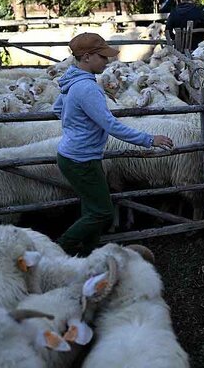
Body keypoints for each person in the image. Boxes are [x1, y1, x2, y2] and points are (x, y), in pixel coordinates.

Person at [52, 32, 175, 256]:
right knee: (103, 213)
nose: (107, 61)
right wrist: (149, 139)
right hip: (82, 159)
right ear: (87, 57)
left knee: (91, 208)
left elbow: (57, 109)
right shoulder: (87, 88)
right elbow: (111, 125)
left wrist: (77, 126)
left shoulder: (73, 82)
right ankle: (59, 249)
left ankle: (88, 254)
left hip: (74, 155)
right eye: (102, 56)